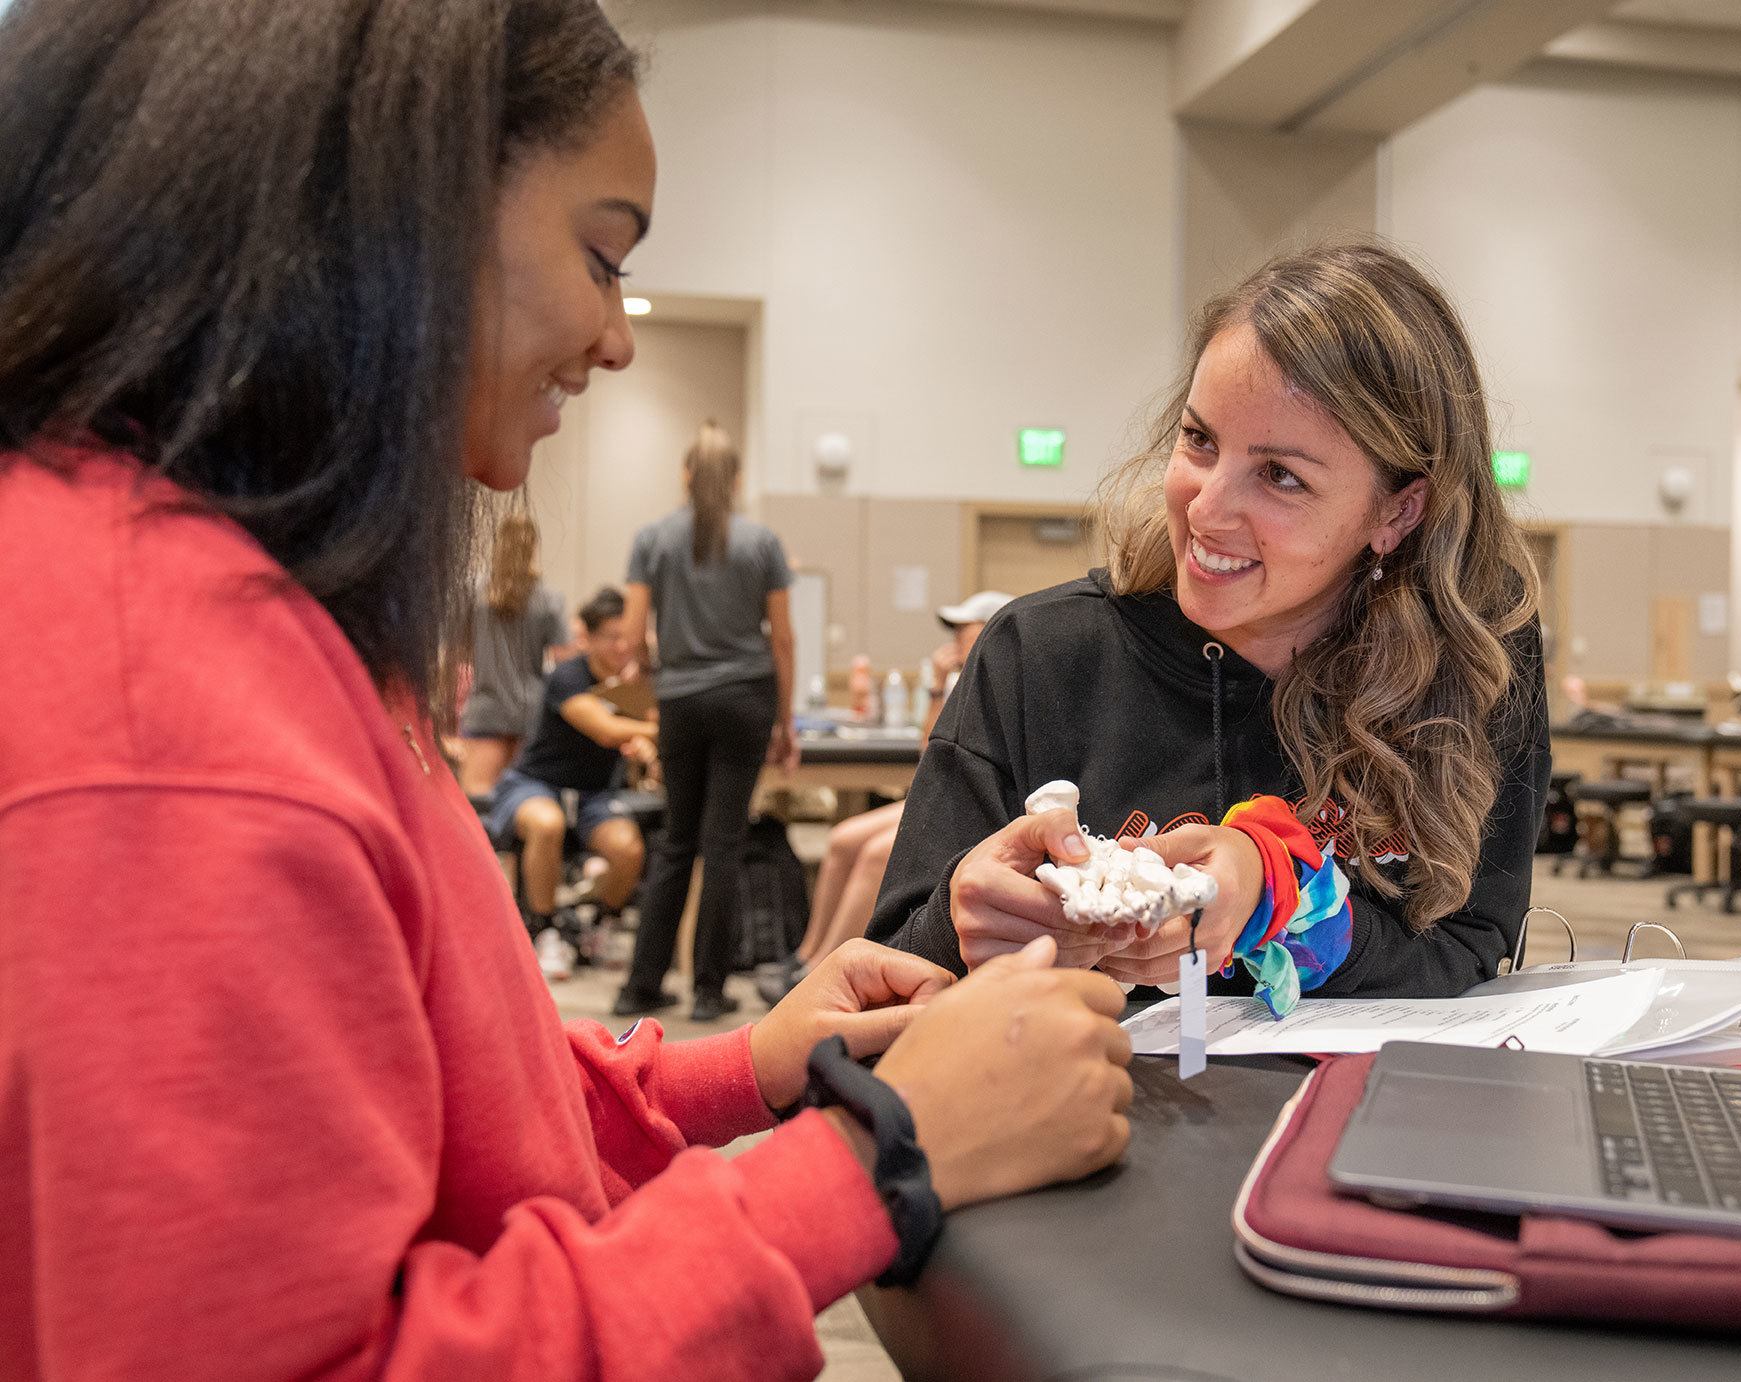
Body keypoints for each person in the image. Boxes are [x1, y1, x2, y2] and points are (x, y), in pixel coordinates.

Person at [0, 3, 1134, 1377]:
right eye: (599, 258)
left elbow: (447, 1102)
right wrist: (873, 1158)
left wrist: (756, 1063)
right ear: (389, 203)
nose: (613, 338)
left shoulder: (240, 596)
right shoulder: (172, 718)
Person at [870, 241, 1552, 1009]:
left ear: (1396, 510)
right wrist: (961, 923)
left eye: (1281, 476)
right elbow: (884, 985)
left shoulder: (1474, 665)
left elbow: (1467, 952)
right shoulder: (1041, 656)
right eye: (1200, 441)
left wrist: (1281, 904)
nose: (1204, 507)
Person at [616, 422, 798, 1020]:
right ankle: (709, 991)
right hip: (746, 697)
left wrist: (651, 666)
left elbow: (631, 630)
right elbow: (783, 640)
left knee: (676, 840)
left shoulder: (652, 539)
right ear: (738, 479)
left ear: (686, 475)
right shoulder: (762, 542)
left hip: (681, 700)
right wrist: (785, 721)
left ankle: (641, 984)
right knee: (724, 843)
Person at [762, 591, 1014, 1003]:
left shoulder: (1005, 680)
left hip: (981, 804)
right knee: (844, 838)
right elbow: (931, 754)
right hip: (943, 791)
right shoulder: (958, 678)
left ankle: (820, 971)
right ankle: (806, 955)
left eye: (963, 630)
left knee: (878, 853)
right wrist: (936, 685)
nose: (953, 640)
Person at [483, 586, 653, 979]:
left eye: (628, 636)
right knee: (547, 824)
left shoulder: (636, 687)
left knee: (628, 848)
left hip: (594, 795)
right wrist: (655, 729)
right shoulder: (567, 677)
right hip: (535, 784)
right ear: (588, 639)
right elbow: (606, 729)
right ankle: (546, 932)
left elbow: (634, 735)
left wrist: (646, 746)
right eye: (612, 637)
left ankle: (600, 926)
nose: (622, 646)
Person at [458, 512, 572, 796]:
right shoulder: (550, 598)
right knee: (520, 801)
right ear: (534, 546)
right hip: (531, 714)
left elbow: (457, 650)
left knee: (478, 802)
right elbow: (564, 664)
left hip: (486, 709)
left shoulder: (473, 592)